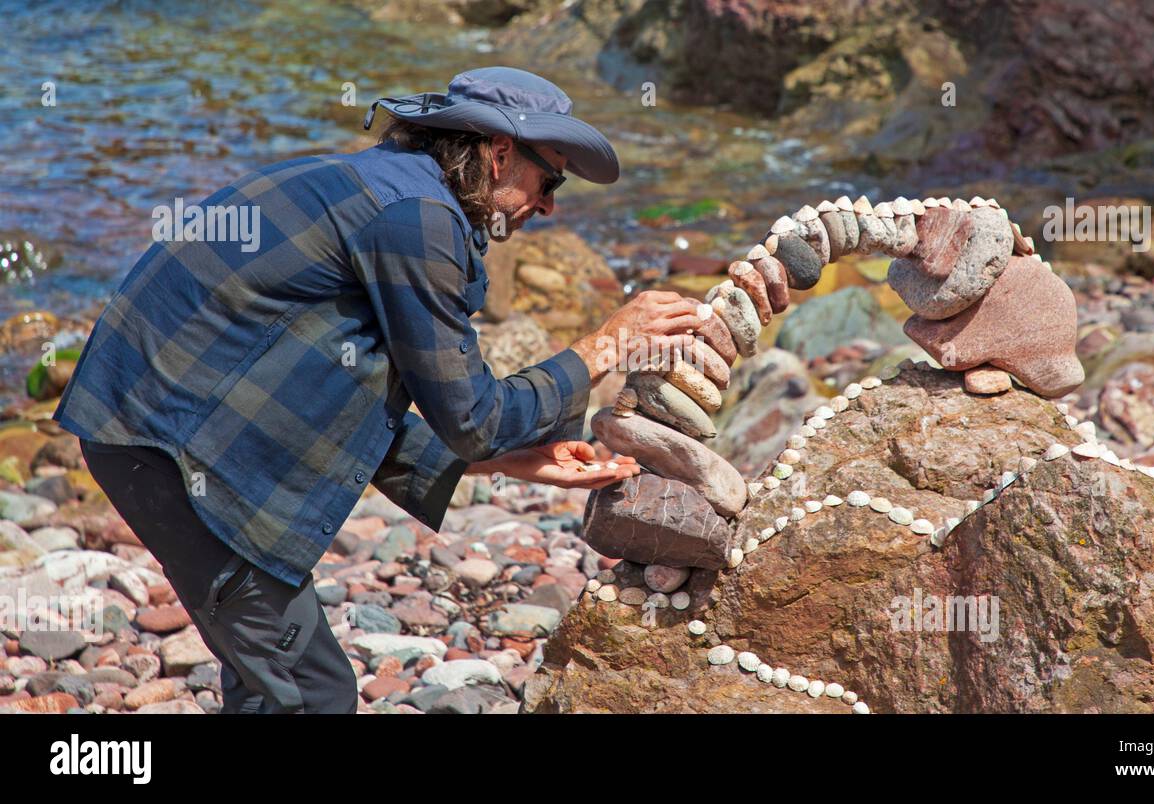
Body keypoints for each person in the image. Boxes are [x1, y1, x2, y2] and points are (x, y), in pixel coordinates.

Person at [53, 66, 703, 713]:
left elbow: (332, 389)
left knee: (274, 678)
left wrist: (504, 458)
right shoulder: (417, 220)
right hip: (175, 450)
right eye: (550, 180)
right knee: (309, 694)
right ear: (500, 153)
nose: (550, 205)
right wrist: (604, 347)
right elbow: (473, 417)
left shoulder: (381, 188)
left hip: (151, 426)